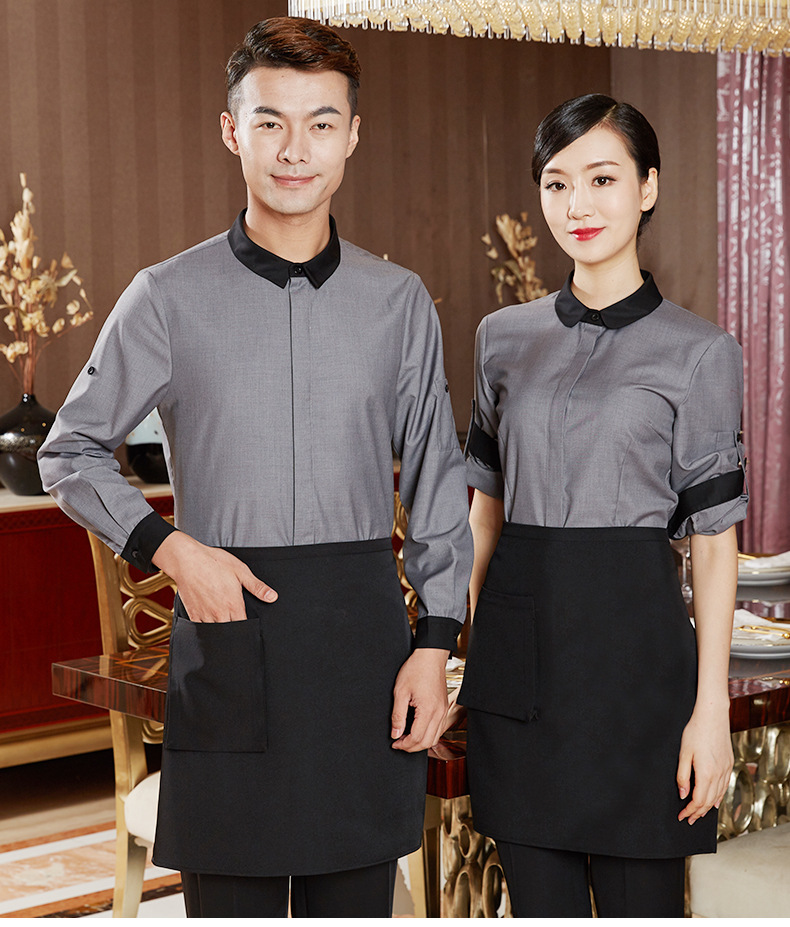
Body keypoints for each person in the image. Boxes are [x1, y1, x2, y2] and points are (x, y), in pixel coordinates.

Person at [39, 17, 473, 918]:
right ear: (232, 131)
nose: (294, 149)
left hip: (362, 647)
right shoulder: (166, 297)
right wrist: (171, 549)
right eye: (270, 121)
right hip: (227, 630)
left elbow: (438, 479)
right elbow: (68, 449)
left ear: (353, 136)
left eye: (321, 123)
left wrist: (435, 644)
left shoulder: (398, 303)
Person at [451, 94, 747, 917]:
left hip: (639, 679)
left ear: (648, 188)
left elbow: (715, 543)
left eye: (602, 178)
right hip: (519, 676)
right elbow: (485, 515)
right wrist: (460, 650)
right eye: (556, 183)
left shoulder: (702, 352)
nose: (576, 204)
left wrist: (711, 712)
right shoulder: (500, 338)